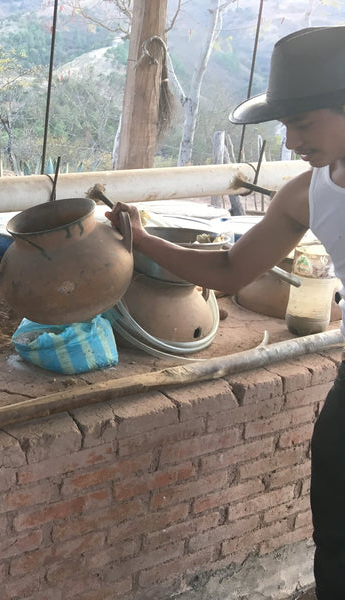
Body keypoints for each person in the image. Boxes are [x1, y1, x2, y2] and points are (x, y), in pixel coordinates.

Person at [106, 25, 345, 599]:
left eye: (305, 124)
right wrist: (141, 241)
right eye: (284, 125)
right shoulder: (306, 193)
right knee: (334, 516)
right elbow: (231, 270)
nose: (290, 142)